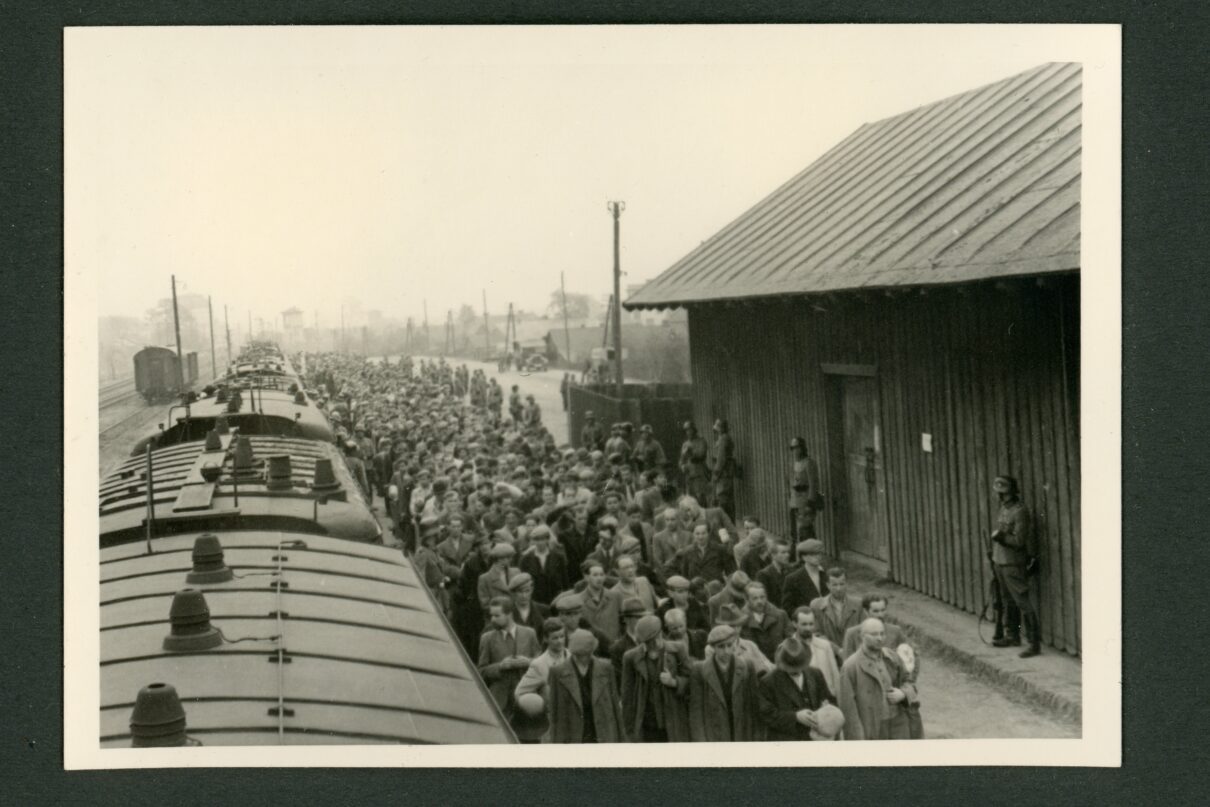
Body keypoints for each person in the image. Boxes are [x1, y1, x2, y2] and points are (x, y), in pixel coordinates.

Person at [837, 618, 919, 740]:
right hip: (872, 728)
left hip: (898, 724)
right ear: (862, 636)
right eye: (874, 634)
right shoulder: (851, 666)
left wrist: (903, 693)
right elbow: (848, 710)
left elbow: (909, 680)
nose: (880, 638)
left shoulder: (892, 657)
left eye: (882, 633)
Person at [989, 475, 1042, 658]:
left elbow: (1019, 541)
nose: (999, 496)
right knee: (1008, 601)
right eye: (999, 493)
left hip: (1013, 563)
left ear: (1009, 493)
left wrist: (1001, 537)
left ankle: (1034, 644)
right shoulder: (1004, 508)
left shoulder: (1020, 511)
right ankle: (1013, 635)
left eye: (1002, 493)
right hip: (1000, 561)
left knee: (1022, 601)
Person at [621, 615, 693, 742]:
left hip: (673, 721)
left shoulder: (678, 650)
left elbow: (692, 683)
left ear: (661, 633)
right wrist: (630, 730)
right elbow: (627, 696)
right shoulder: (631, 657)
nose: (654, 643)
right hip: (647, 723)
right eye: (649, 642)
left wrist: (674, 682)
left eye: (657, 637)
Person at [688, 625, 764, 742]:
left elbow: (754, 706)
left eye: (729, 645)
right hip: (714, 734)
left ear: (735, 644)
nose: (726, 651)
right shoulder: (700, 670)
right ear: (713, 647)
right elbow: (696, 711)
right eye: (721, 647)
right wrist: (701, 742)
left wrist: (756, 739)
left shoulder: (747, 666)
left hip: (742, 732)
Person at [548, 629, 625, 743]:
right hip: (572, 736)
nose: (584, 658)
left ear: (592, 651)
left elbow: (615, 707)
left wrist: (621, 741)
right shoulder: (557, 672)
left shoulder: (606, 669)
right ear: (573, 653)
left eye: (587, 654)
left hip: (603, 734)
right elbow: (554, 713)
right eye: (579, 655)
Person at [757, 637, 839, 742]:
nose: (797, 671)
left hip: (816, 740)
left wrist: (826, 708)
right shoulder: (768, 682)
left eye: (800, 666)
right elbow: (766, 715)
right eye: (792, 668)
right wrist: (795, 717)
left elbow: (829, 699)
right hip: (787, 742)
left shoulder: (815, 674)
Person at [478, 596, 543, 724]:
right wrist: (500, 666)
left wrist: (529, 662)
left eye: (497, 616)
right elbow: (481, 671)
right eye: (491, 616)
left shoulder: (529, 633)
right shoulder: (487, 638)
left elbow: (541, 663)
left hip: (526, 698)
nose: (492, 619)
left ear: (509, 614)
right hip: (499, 701)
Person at [514, 617, 572, 742]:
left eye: (562, 636)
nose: (560, 641)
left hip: (575, 720)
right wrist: (539, 704)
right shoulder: (539, 664)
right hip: (553, 722)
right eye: (555, 638)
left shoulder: (573, 657)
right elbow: (519, 693)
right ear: (546, 639)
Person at [791, 606, 844, 699]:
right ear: (795, 624)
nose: (808, 628)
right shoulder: (788, 648)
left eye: (811, 624)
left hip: (825, 698)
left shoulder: (825, 646)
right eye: (804, 624)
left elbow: (835, 676)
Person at [809, 566, 864, 647]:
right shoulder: (817, 605)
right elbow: (816, 634)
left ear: (847, 584)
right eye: (834, 585)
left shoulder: (858, 604)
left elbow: (864, 630)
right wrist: (837, 650)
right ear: (828, 585)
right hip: (827, 651)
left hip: (853, 650)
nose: (839, 588)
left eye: (842, 584)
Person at [739, 581, 791, 663]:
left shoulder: (781, 616)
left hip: (781, 664)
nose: (759, 601)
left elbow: (791, 641)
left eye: (762, 597)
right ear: (747, 600)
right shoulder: (740, 621)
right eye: (755, 598)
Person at [518, 524, 569, 606]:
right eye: (537, 540)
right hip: (535, 601)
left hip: (555, 599)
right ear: (533, 541)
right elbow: (522, 582)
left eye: (542, 539)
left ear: (547, 539)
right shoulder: (526, 559)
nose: (540, 543)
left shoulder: (558, 557)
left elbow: (565, 581)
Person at [551, 591, 612, 659]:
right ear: (560, 616)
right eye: (568, 614)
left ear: (581, 614)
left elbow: (613, 655)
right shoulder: (555, 636)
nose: (573, 618)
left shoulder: (596, 634)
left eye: (576, 613)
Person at [780, 538, 830, 615]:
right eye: (813, 554)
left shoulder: (826, 574)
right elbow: (787, 608)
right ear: (804, 557)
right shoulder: (793, 579)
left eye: (820, 554)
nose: (818, 557)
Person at [579, 560, 625, 644]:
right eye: (595, 575)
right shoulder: (579, 600)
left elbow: (624, 622)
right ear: (586, 577)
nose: (599, 578)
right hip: (591, 647)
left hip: (613, 645)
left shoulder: (615, 596)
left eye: (601, 575)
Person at [609, 597, 651, 687]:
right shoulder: (618, 648)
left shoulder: (653, 640)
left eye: (644, 617)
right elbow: (622, 682)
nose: (642, 621)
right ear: (626, 619)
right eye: (637, 617)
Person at [788, 436, 822, 542]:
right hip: (795, 500)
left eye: (797, 447)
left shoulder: (809, 463)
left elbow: (813, 484)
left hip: (805, 499)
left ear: (802, 447)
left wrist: (810, 503)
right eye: (792, 448)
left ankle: (809, 549)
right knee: (794, 529)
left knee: (805, 529)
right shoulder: (794, 464)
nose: (794, 451)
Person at [508, 572, 550, 642]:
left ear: (532, 590)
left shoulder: (543, 610)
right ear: (514, 593)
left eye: (527, 591)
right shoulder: (508, 611)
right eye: (520, 592)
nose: (524, 596)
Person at [477, 542, 518, 613]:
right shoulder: (484, 579)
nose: (511, 559)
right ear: (499, 559)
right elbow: (485, 604)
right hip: (497, 616)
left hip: (515, 616)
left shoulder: (516, 572)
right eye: (508, 557)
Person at [710, 418, 738, 521]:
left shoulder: (723, 439)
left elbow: (721, 459)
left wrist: (716, 474)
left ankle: (727, 524)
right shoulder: (724, 438)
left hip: (723, 474)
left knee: (723, 499)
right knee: (726, 500)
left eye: (718, 428)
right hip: (725, 473)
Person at [678, 421, 711, 505]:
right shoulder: (685, 444)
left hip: (699, 474)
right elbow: (681, 460)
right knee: (691, 500)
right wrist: (682, 466)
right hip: (689, 475)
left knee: (701, 498)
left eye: (690, 430)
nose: (688, 432)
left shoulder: (701, 441)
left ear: (694, 430)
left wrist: (691, 452)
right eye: (686, 430)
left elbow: (701, 455)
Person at [756, 540, 794, 610]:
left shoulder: (791, 571)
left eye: (788, 552)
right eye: (783, 552)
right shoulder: (764, 574)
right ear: (773, 555)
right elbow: (765, 600)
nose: (787, 555)